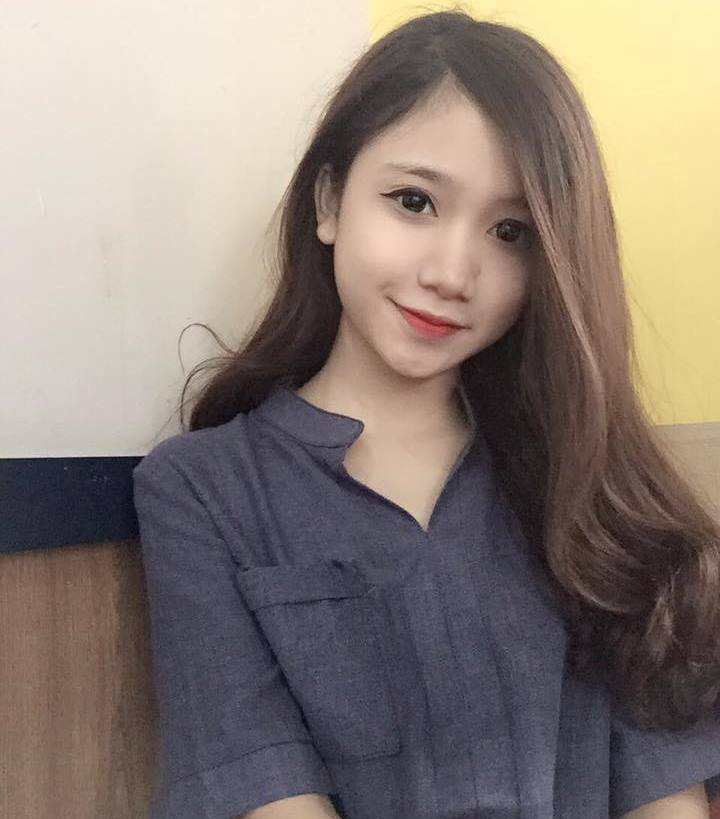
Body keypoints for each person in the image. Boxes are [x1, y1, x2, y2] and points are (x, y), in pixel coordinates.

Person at [132, 8, 720, 819]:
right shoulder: (206, 490)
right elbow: (263, 796)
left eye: (510, 231)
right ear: (329, 200)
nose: (452, 272)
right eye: (414, 201)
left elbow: (669, 800)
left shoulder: (593, 494)